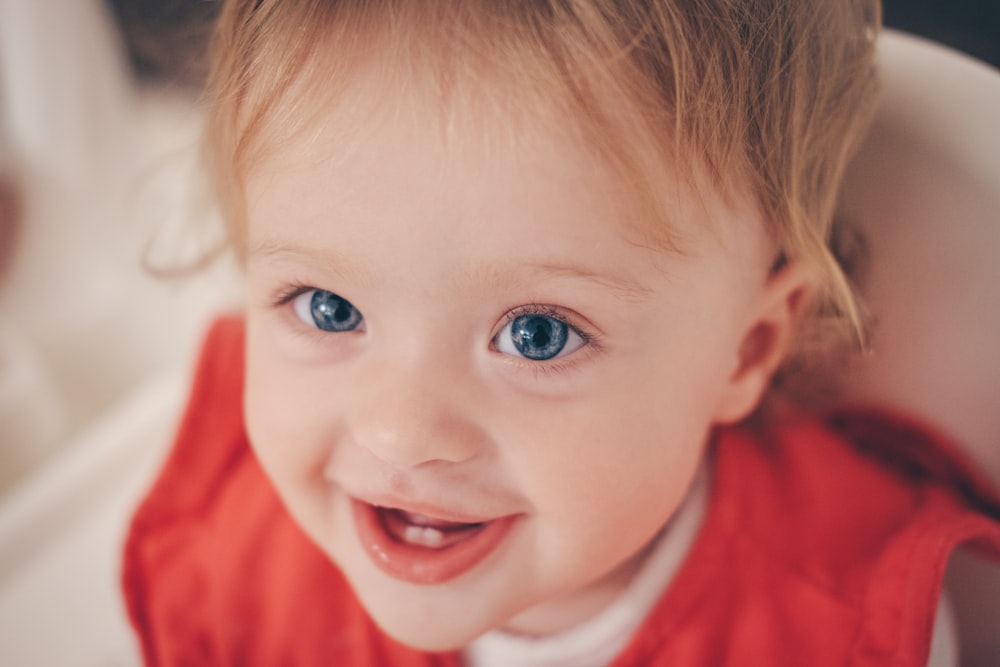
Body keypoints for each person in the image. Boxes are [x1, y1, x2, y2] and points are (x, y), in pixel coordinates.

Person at [122, 1, 1000, 665]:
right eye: (326, 307)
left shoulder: (843, 624)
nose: (400, 432)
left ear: (747, 349)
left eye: (538, 334)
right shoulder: (231, 558)